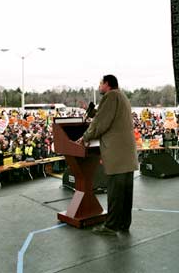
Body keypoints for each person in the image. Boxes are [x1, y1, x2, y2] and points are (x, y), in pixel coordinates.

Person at [78, 74, 139, 236]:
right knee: (125, 193)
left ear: (107, 84)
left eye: (100, 83)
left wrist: (85, 137)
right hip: (126, 153)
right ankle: (124, 224)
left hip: (116, 152)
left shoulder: (110, 96)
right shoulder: (122, 96)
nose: (99, 86)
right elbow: (109, 117)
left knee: (114, 192)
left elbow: (101, 123)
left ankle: (111, 226)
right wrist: (95, 114)